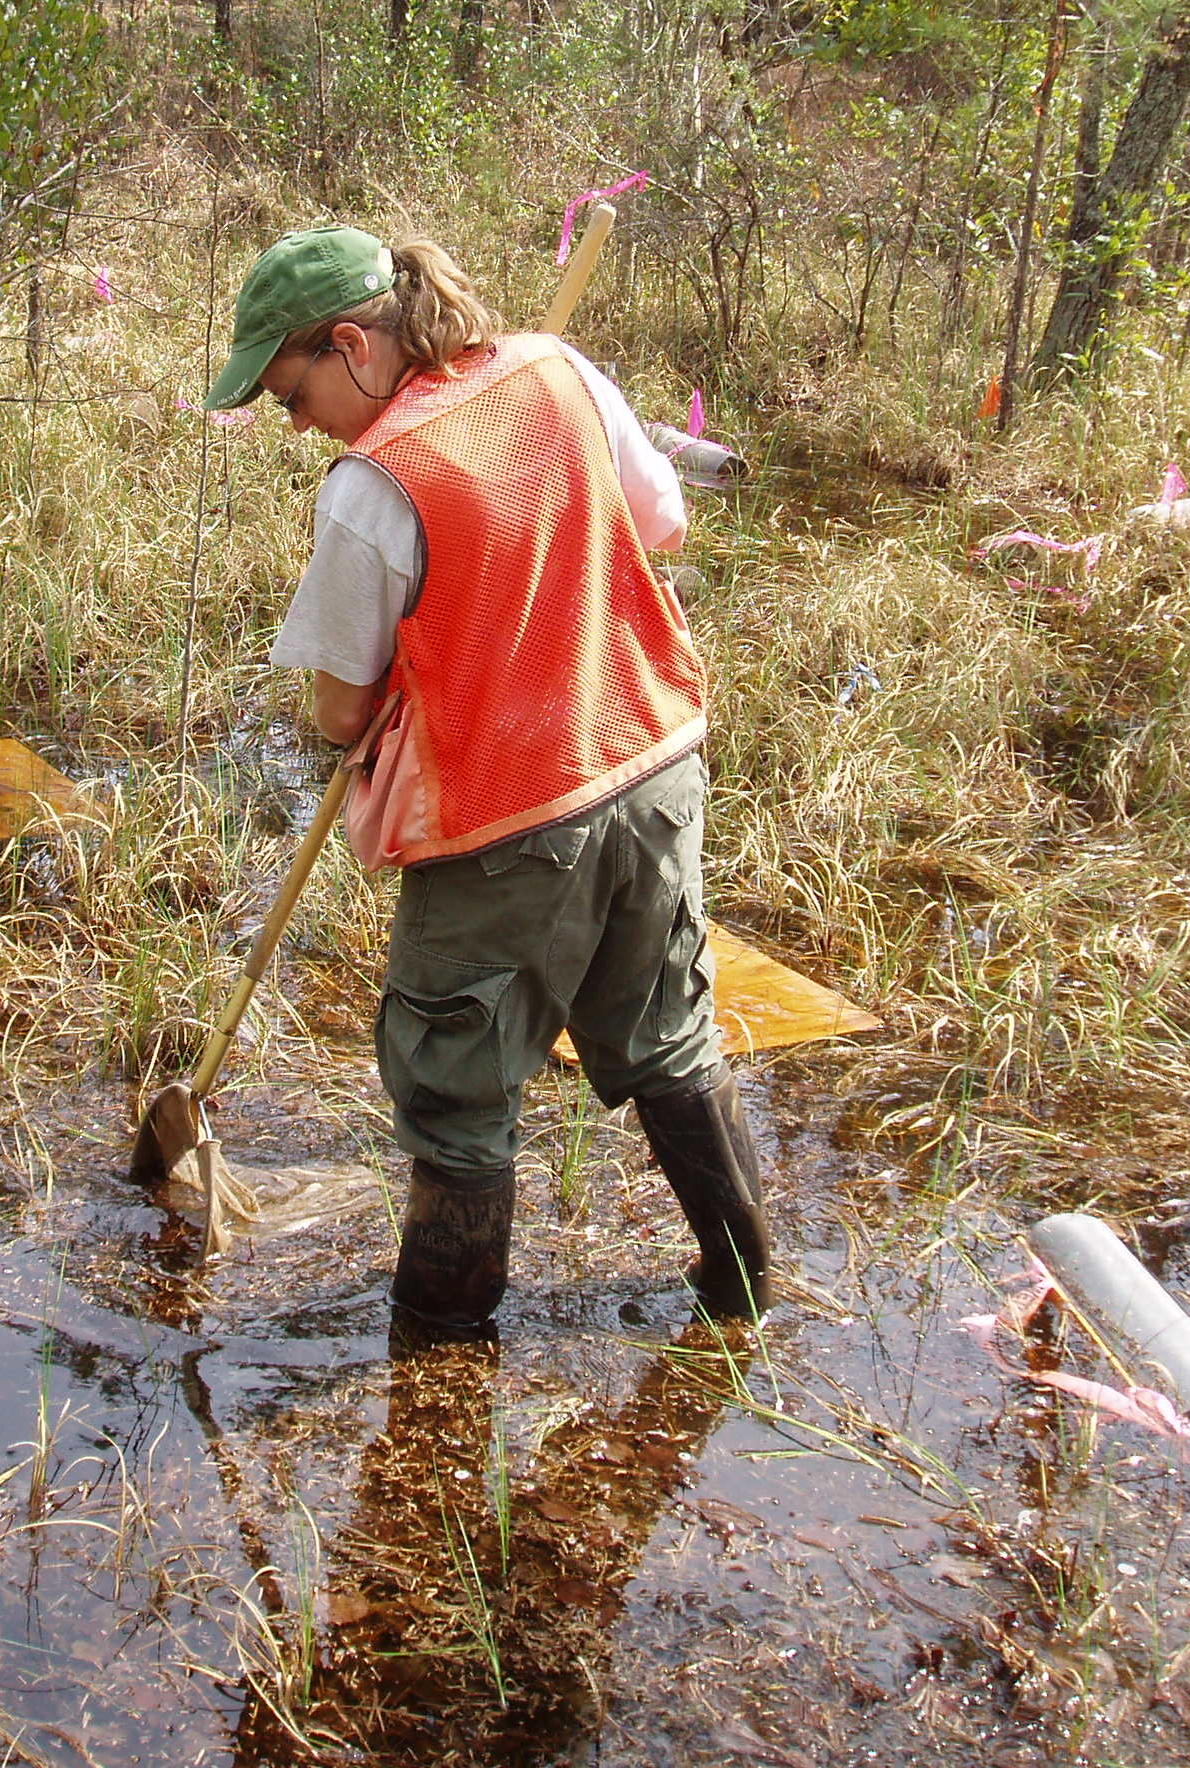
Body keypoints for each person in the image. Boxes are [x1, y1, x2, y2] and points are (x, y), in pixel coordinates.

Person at [199, 223, 770, 1338]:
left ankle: (440, 1359)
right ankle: (743, 1285)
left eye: (289, 393)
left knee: (457, 1095)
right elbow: (663, 523)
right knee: (665, 1035)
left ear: (354, 345)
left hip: (506, 819)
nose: (295, 422)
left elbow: (340, 711)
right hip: (652, 764)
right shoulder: (559, 370)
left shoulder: (372, 488)